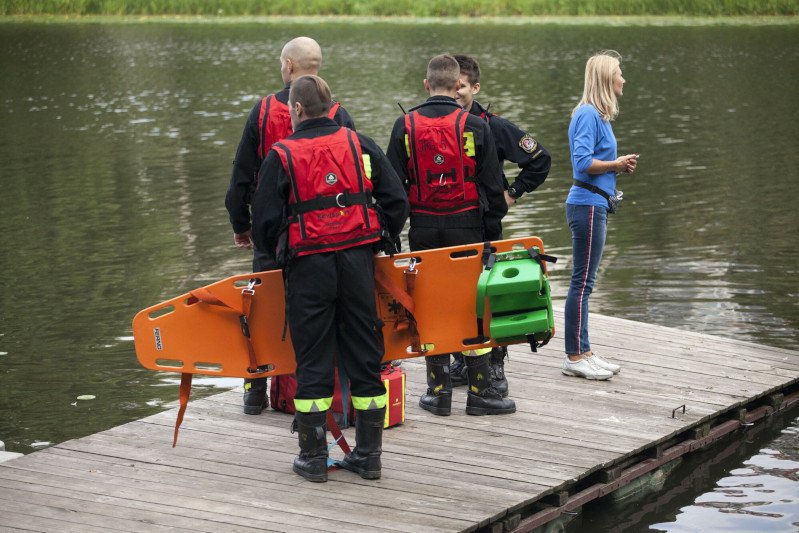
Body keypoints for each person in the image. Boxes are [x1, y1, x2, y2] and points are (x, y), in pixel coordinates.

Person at [252, 75, 409, 482]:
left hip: (308, 270)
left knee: (313, 360)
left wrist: (284, 251)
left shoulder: (281, 154)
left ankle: (314, 457)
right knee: (365, 357)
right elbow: (396, 199)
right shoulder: (360, 145)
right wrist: (379, 239)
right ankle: (369, 456)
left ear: (298, 110)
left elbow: (264, 222)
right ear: (331, 107)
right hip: (357, 263)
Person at [224, 36, 356, 416]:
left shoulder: (263, 111)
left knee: (263, 308)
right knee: (319, 310)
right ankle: (316, 387)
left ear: (288, 66)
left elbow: (241, 177)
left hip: (271, 232)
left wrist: (241, 225)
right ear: (319, 67)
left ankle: (255, 391)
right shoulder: (339, 114)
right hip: (320, 234)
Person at [386, 54, 515, 417]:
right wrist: (490, 238)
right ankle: (480, 392)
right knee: (469, 307)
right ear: (458, 85)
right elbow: (492, 190)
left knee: (427, 305)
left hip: (423, 229)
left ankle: (438, 392)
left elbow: (393, 191)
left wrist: (393, 236)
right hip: (467, 228)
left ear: (426, 85)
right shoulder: (476, 126)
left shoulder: (404, 125)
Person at [449, 54, 552, 397]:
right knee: (454, 296)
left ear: (475, 88)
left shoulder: (493, 125)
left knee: (489, 294)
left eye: (461, 87)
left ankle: (495, 365)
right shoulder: (431, 125)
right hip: (447, 227)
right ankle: (463, 362)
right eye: (449, 86)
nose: (454, 93)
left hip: (485, 225)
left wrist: (512, 193)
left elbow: (540, 159)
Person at [562, 50, 638, 380]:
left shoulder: (599, 116)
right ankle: (575, 356)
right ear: (607, 78)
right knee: (582, 282)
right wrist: (615, 164)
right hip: (587, 206)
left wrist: (616, 167)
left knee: (586, 283)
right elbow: (582, 163)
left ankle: (586, 351)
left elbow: (595, 161)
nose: (623, 78)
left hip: (596, 205)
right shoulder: (587, 115)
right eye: (619, 73)